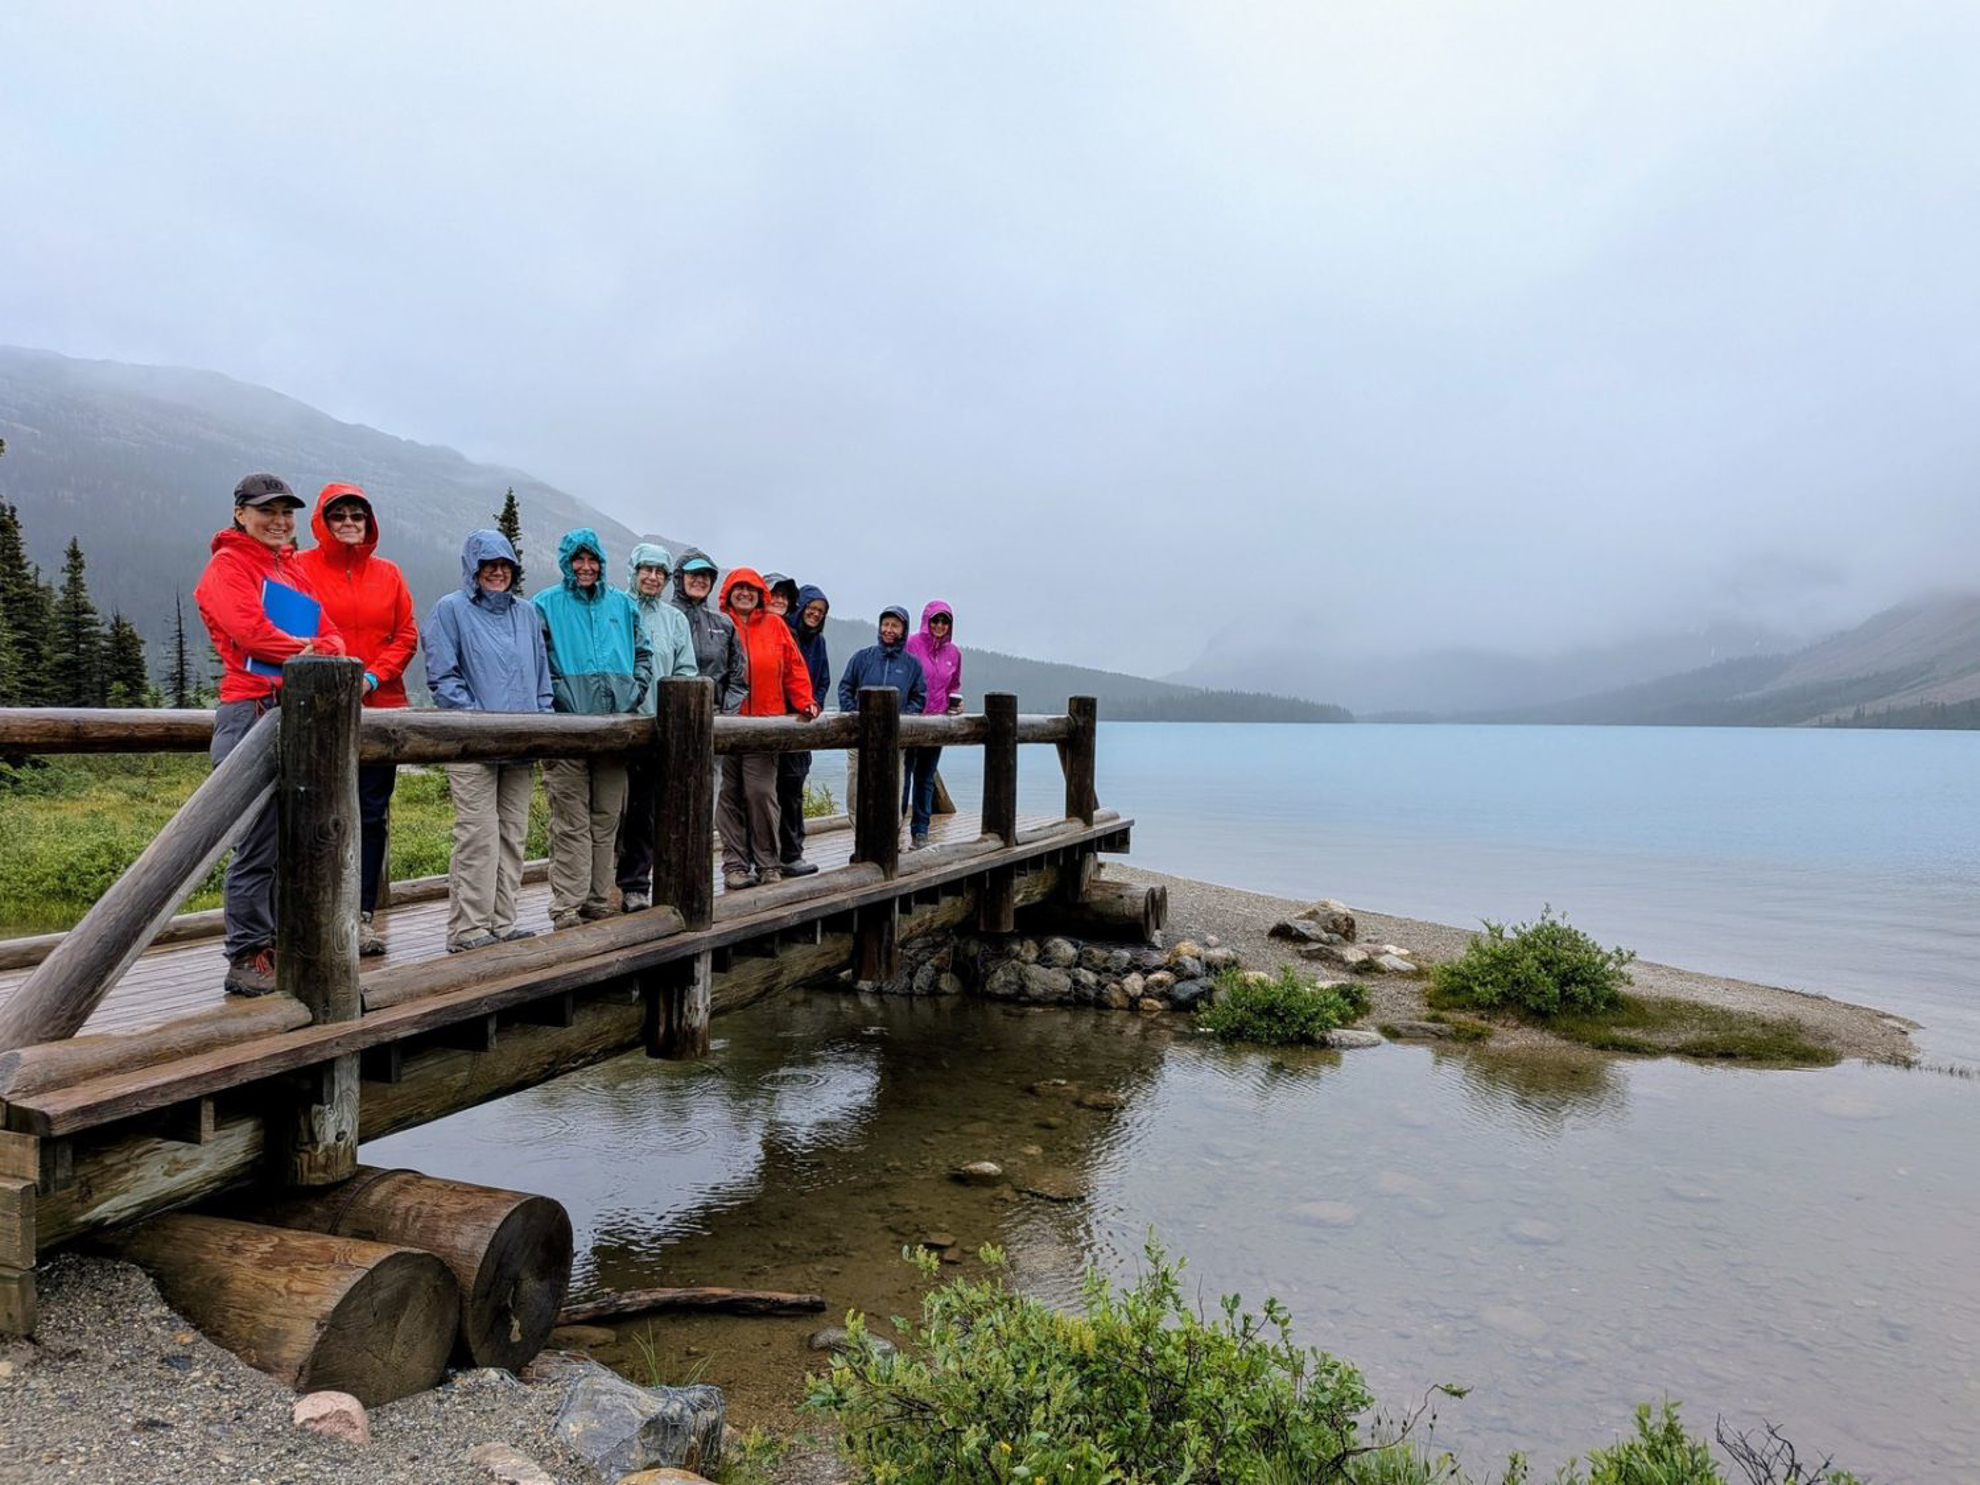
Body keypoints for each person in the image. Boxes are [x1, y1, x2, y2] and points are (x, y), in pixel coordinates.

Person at [193, 473, 346, 996]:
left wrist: (313, 649)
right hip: (251, 711)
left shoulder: (292, 570)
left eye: (286, 512)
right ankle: (246, 955)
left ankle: (281, 944)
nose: (279, 521)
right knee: (257, 842)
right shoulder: (227, 566)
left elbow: (333, 637)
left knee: (298, 836)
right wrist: (311, 650)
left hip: (299, 711)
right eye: (267, 511)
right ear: (240, 513)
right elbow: (251, 633)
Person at [294, 482, 417, 957]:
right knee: (313, 812)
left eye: (357, 516)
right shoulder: (300, 568)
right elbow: (289, 629)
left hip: (380, 709)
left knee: (370, 814)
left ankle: (361, 917)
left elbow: (405, 634)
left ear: (369, 524)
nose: (349, 523)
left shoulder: (388, 573)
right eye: (339, 515)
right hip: (318, 711)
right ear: (322, 523)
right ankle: (311, 917)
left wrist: (370, 678)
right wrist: (338, 672)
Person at [424, 530, 553, 952]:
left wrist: (543, 725)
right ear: (473, 568)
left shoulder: (528, 614)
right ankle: (468, 929)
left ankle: (503, 921)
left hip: (523, 743)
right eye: (489, 565)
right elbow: (443, 676)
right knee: (477, 836)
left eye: (505, 565)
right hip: (472, 745)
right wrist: (478, 723)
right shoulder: (451, 610)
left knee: (512, 835)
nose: (497, 571)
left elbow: (541, 678)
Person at [534, 528, 653, 930]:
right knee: (570, 821)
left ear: (602, 562)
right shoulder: (545, 605)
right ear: (566, 562)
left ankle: (597, 899)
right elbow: (540, 662)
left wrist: (633, 692)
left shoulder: (622, 605)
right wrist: (561, 700)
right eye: (578, 560)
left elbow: (643, 653)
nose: (585, 567)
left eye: (592, 560)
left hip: (614, 731)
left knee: (606, 820)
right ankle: (567, 905)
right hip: (566, 732)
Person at [717, 567, 817, 889]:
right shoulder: (720, 625)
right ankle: (734, 866)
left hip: (764, 726)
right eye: (738, 588)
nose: (745, 593)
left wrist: (805, 702)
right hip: (726, 726)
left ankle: (768, 863)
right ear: (729, 593)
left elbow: (794, 669)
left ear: (761, 593)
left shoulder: (775, 625)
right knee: (729, 797)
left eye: (751, 588)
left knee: (760, 794)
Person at [617, 542, 700, 911]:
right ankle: (602, 886)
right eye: (645, 570)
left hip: (658, 732)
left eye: (659, 572)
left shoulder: (675, 620)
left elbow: (686, 672)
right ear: (633, 571)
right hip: (616, 728)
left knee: (646, 812)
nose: (652, 577)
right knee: (607, 813)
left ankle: (636, 885)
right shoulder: (614, 608)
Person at [777, 583, 831, 876]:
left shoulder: (819, 643)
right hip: (778, 719)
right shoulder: (785, 633)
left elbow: (823, 680)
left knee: (793, 790)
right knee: (768, 791)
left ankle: (792, 853)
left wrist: (815, 706)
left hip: (803, 725)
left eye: (819, 612)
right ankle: (768, 854)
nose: (814, 614)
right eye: (810, 608)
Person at [903, 601, 963, 848]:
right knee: (903, 776)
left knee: (925, 779)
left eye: (944, 621)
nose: (939, 625)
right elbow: (903, 676)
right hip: (911, 721)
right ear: (927, 620)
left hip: (937, 723)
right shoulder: (912, 644)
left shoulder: (954, 653)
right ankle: (895, 826)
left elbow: (953, 685)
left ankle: (920, 830)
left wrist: (956, 703)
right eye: (935, 620)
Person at [669, 547, 749, 714]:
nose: (700, 580)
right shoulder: (665, 618)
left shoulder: (724, 624)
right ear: (679, 578)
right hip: (671, 716)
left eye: (705, 575)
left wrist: (726, 715)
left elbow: (738, 678)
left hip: (715, 719)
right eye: (693, 574)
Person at [839, 605, 927, 719]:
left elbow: (918, 698)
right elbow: (845, 688)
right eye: (885, 624)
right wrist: (854, 715)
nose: (889, 630)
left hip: (898, 732)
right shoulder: (861, 658)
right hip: (862, 729)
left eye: (895, 626)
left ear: (903, 631)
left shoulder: (913, 664)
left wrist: (903, 718)